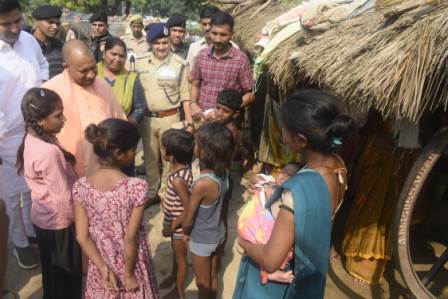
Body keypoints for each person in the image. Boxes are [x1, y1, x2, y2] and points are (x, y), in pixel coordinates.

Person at [233, 89, 353, 299]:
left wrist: (243, 243)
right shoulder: (337, 166)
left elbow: (270, 260)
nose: (282, 135)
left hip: (277, 285)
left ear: (301, 140)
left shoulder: (295, 194)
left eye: (284, 130)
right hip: (306, 269)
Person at [73, 118, 159, 298]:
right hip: (132, 263)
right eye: (134, 149)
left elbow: (82, 236)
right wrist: (128, 275)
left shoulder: (81, 186)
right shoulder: (136, 187)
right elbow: (130, 238)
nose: (135, 153)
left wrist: (104, 269)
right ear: (119, 153)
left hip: (100, 261)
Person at [16, 88, 82, 299]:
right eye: (58, 115)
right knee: (67, 280)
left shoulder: (37, 139)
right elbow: (63, 201)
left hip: (44, 221)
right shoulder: (49, 151)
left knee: (52, 275)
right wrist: (81, 222)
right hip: (59, 225)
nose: (64, 119)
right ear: (41, 120)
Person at [0, 0, 48, 270]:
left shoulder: (29, 40)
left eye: (18, 20)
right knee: (10, 195)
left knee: (33, 186)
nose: (15, 27)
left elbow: (41, 65)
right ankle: (19, 241)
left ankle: (32, 232)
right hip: (5, 137)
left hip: (35, 131)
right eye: (6, 23)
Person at [42, 39, 126, 177]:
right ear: (66, 66)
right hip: (66, 170)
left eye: (94, 68)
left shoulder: (103, 86)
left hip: (103, 169)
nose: (91, 75)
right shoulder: (50, 92)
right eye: (84, 71)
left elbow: (119, 122)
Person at [135, 23, 192, 205]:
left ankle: (166, 192)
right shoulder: (140, 63)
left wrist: (189, 120)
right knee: (150, 157)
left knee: (170, 157)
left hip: (171, 117)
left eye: (165, 42)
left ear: (170, 43)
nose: (161, 47)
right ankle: (152, 191)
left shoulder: (180, 64)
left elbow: (186, 96)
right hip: (147, 119)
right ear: (151, 43)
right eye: (157, 43)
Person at [182, 123, 234, 299]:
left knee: (201, 282)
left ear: (204, 152)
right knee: (212, 276)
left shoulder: (202, 184)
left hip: (202, 240)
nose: (194, 147)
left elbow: (189, 218)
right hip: (219, 234)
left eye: (196, 143)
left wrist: (185, 232)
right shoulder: (224, 174)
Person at [190, 11, 254, 121]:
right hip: (203, 119)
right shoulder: (201, 55)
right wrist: (193, 104)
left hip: (229, 124)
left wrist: (226, 111)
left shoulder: (240, 59)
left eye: (223, 35)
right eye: (214, 33)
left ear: (232, 34)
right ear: (209, 31)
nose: (218, 39)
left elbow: (250, 94)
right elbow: (195, 85)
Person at [159, 129, 194, 299]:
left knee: (181, 260)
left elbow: (188, 209)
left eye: (163, 148)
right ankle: (173, 277)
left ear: (171, 156)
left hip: (178, 226)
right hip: (174, 223)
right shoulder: (183, 170)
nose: (161, 150)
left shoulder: (178, 180)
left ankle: (179, 291)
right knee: (175, 252)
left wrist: (171, 228)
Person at [97, 37, 146, 125]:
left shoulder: (132, 78)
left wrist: (126, 125)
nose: (117, 59)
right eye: (113, 54)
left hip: (119, 130)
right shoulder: (92, 73)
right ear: (104, 54)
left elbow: (140, 108)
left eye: (122, 56)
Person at [186, 5, 239, 70]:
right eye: (204, 24)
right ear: (200, 24)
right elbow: (189, 73)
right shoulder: (194, 47)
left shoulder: (234, 47)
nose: (207, 28)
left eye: (210, 24)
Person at [32, 5, 64, 78]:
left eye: (57, 24)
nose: (55, 27)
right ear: (37, 22)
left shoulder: (61, 46)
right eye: (50, 22)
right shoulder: (26, 45)